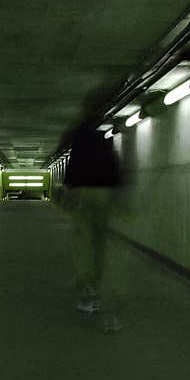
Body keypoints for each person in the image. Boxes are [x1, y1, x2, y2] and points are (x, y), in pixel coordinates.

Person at [61, 119, 123, 332]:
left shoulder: (80, 137)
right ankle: (99, 286)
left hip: (84, 193)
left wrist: (68, 193)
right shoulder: (105, 138)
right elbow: (115, 165)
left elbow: (74, 166)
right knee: (99, 242)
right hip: (105, 193)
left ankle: (88, 290)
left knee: (82, 242)